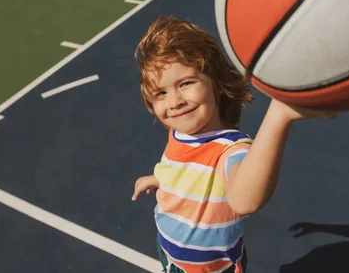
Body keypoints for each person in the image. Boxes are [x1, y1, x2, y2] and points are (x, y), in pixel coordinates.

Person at [131, 15, 336, 273]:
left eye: (185, 84)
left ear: (215, 83)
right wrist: (161, 179)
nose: (174, 102)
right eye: (160, 93)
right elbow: (188, 168)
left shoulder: (231, 151)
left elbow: (245, 200)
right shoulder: (181, 132)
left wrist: (279, 115)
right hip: (169, 250)